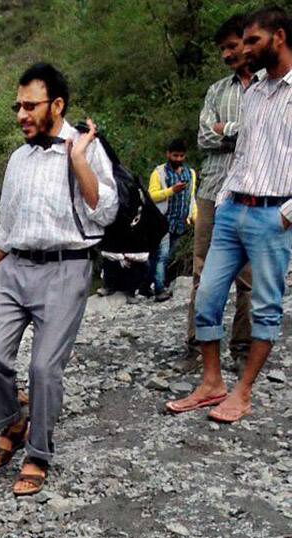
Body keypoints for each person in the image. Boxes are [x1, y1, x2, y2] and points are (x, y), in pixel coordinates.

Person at [0, 63, 118, 496]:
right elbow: (6, 231)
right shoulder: (18, 159)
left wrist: (78, 159)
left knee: (44, 368)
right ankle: (11, 424)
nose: (21, 114)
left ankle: (38, 451)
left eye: (30, 106)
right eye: (17, 106)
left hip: (66, 268)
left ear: (56, 105)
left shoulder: (86, 148)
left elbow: (105, 211)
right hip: (14, 270)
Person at [168, 7, 292, 424]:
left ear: (279, 37)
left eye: (253, 41)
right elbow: (242, 152)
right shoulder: (254, 92)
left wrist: (287, 215)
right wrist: (223, 197)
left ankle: (243, 391)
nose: (244, 50)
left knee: (264, 306)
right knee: (206, 296)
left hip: (273, 214)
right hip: (232, 206)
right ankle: (212, 382)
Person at [182, 13, 261, 371]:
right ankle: (196, 345)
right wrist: (242, 133)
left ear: (247, 43)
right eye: (222, 49)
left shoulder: (271, 87)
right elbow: (203, 137)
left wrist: (227, 130)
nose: (227, 54)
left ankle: (242, 348)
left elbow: (270, 138)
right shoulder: (216, 90)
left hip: (252, 191)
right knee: (202, 271)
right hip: (213, 190)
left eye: (232, 46)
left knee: (248, 277)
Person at [146, 138, 198, 301]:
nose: (178, 159)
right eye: (175, 155)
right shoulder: (159, 173)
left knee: (163, 256)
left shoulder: (190, 174)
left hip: (180, 222)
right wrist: (171, 191)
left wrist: (195, 217)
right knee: (162, 255)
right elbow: (151, 196)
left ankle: (145, 285)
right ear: (168, 154)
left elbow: (191, 198)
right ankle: (160, 290)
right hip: (161, 222)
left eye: (181, 156)